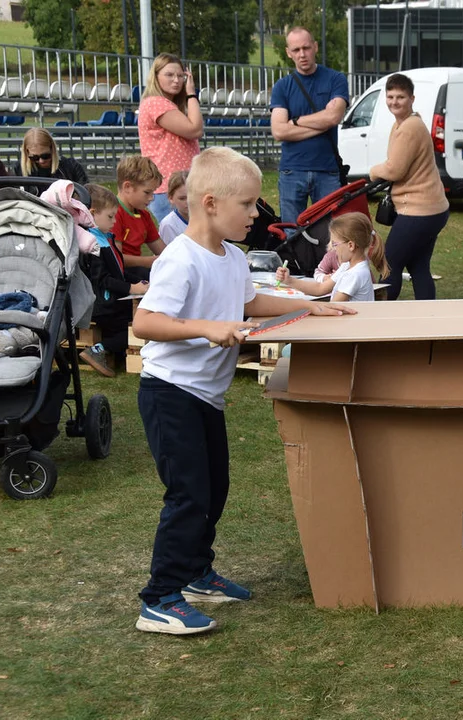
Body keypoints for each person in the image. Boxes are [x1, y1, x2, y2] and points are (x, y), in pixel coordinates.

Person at [132, 147, 348, 635]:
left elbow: (249, 299)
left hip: (206, 396)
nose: (256, 214)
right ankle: (159, 598)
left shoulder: (232, 256)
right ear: (210, 203)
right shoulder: (179, 259)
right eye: (248, 205)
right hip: (170, 393)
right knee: (188, 494)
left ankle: (196, 574)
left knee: (215, 489)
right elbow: (144, 321)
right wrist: (206, 328)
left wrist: (306, 306)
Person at [369, 73, 450, 300]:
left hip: (418, 210)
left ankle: (381, 319)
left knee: (389, 265)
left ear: (412, 98)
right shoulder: (404, 124)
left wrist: (373, 171)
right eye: (390, 96)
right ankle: (428, 319)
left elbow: (395, 169)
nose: (394, 101)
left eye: (401, 97)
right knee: (418, 266)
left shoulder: (409, 127)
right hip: (433, 209)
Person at [269, 27, 349, 223]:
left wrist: (296, 121)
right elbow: (279, 131)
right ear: (288, 53)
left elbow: (334, 117)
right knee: (291, 232)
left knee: (331, 232)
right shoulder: (282, 86)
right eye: (296, 50)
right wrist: (322, 121)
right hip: (292, 170)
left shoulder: (336, 79)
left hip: (327, 170)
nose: (302, 54)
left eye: (306, 48)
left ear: (315, 47)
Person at [79, 183, 148, 378]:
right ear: (92, 214)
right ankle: (99, 349)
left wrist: (139, 282)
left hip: (111, 302)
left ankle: (110, 350)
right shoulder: (92, 245)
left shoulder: (105, 238)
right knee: (137, 329)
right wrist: (131, 288)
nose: (114, 221)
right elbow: (103, 280)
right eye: (110, 216)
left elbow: (119, 271)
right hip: (104, 306)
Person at [138, 52, 202, 223]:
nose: (176, 80)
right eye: (169, 75)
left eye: (181, 76)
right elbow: (195, 129)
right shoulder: (156, 103)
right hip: (168, 186)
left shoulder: (167, 104)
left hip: (177, 185)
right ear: (156, 76)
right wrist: (191, 94)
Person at [275, 212, 388, 302]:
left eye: (335, 244)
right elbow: (320, 288)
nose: (333, 249)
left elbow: (334, 305)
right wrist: (290, 281)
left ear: (351, 245)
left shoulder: (354, 275)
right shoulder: (347, 266)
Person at [113, 154, 164, 272]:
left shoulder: (144, 216)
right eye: (147, 192)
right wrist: (150, 261)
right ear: (127, 187)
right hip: (122, 275)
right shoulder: (114, 214)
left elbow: (161, 249)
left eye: (153, 193)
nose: (152, 198)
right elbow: (116, 258)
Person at [13, 128, 88, 185]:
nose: (41, 161)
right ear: (27, 152)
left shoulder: (71, 167)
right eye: (34, 157)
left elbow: (85, 194)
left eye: (45, 156)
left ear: (52, 149)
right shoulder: (18, 170)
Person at [158, 171, 189, 246]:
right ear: (171, 198)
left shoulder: (208, 216)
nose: (188, 202)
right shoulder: (169, 225)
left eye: (193, 196)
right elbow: (172, 255)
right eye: (182, 198)